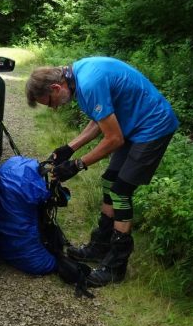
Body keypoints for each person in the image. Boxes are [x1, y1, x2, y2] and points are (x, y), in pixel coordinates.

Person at [26, 57, 178, 287]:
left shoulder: (89, 83)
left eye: (51, 103)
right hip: (131, 126)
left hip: (152, 126)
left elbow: (114, 139)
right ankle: (100, 246)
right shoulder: (78, 78)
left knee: (121, 190)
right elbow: (99, 121)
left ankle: (116, 266)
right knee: (109, 181)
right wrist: (69, 148)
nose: (55, 108)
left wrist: (77, 164)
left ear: (56, 87)